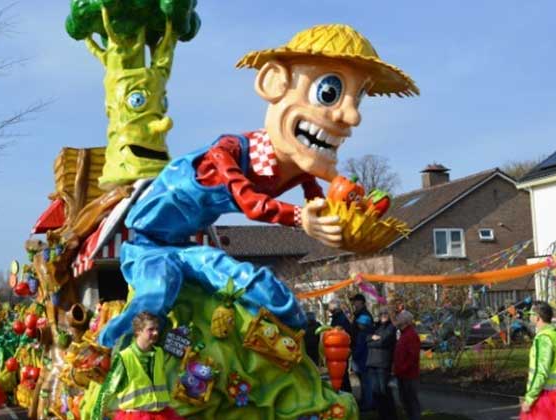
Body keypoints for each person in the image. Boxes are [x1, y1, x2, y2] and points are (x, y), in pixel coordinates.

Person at [97, 24, 418, 348]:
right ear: (273, 82)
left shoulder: (296, 166)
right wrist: (300, 217)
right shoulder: (226, 153)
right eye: (330, 91)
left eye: (358, 98)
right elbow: (250, 202)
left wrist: (332, 215)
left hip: (184, 247)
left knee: (269, 293)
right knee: (154, 298)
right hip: (147, 248)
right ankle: (107, 357)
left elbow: (315, 191)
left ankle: (288, 365)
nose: (352, 116)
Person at [94, 312, 185, 420]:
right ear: (138, 331)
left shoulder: (158, 353)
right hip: (136, 416)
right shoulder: (124, 358)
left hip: (161, 414)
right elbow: (107, 390)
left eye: (157, 329)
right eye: (151, 329)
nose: (156, 332)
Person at [366, 309, 396, 420]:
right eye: (381, 314)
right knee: (376, 391)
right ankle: (382, 414)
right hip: (372, 362)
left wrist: (372, 341)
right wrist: (372, 339)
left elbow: (383, 342)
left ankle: (390, 415)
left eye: (385, 314)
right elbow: (366, 338)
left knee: (384, 391)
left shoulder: (391, 328)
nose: (383, 316)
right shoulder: (375, 327)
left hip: (383, 363)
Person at [393, 310, 421, 420]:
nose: (397, 320)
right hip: (402, 373)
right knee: (405, 401)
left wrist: (402, 369)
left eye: (399, 318)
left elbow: (412, 356)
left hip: (409, 374)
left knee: (411, 401)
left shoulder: (411, 335)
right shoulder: (404, 334)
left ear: (405, 321)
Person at [350, 294, 373, 410]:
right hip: (358, 350)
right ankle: (365, 401)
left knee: (366, 379)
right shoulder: (359, 315)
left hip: (363, 351)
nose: (353, 303)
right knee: (362, 378)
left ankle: (369, 403)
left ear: (362, 302)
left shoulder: (364, 315)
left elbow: (363, 330)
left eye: (355, 301)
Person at [328, 299, 353, 392]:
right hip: (338, 349)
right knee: (341, 374)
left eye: (330, 307)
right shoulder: (337, 317)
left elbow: (344, 333)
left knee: (342, 374)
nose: (329, 309)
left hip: (340, 349)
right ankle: (344, 391)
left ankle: (345, 393)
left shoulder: (340, 318)